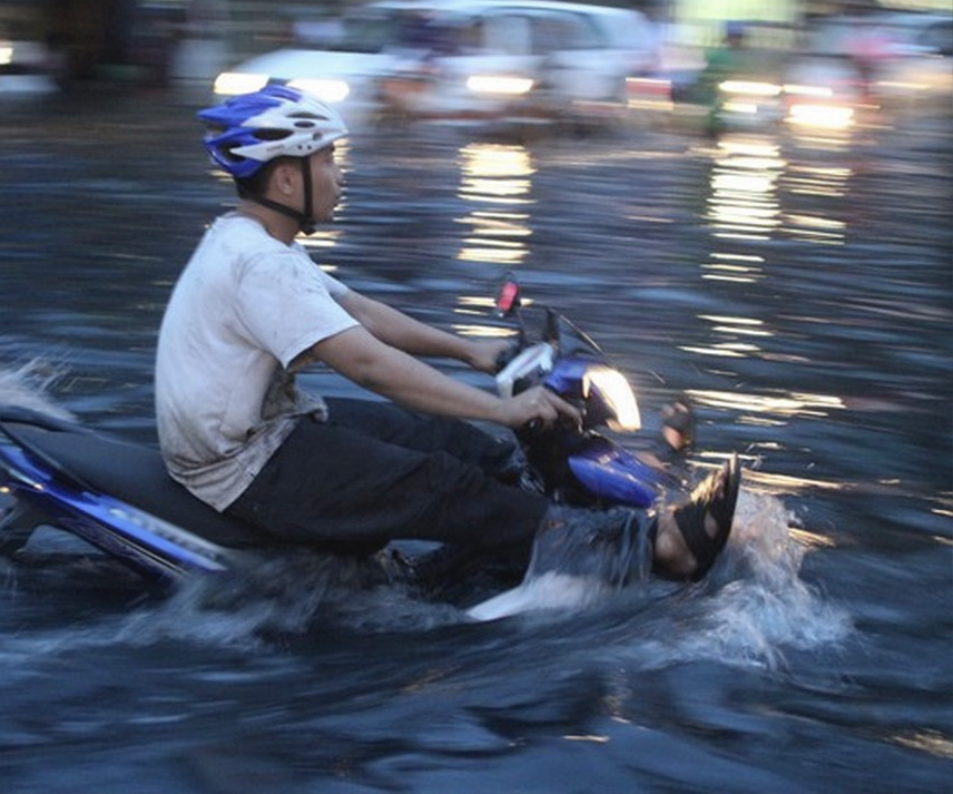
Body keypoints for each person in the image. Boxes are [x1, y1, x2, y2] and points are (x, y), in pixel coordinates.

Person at [154, 84, 737, 589]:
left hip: (270, 431)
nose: (339, 174)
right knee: (440, 482)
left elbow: (360, 312)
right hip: (241, 466)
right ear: (286, 178)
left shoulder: (260, 243)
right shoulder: (260, 265)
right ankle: (654, 547)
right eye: (329, 160)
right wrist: (502, 410)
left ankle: (524, 549)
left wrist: (472, 352)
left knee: (454, 444)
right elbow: (368, 363)